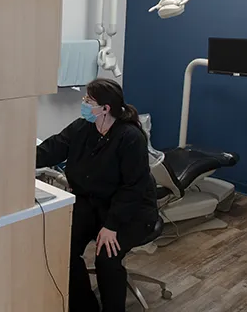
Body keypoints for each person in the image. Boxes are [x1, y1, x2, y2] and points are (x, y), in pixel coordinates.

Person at [36, 78, 158, 312]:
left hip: (130, 211)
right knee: (63, 249)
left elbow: (133, 187)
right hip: (92, 204)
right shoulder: (82, 128)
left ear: (105, 108)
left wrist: (112, 226)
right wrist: (16, 157)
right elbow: (52, 149)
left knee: (106, 258)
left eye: (88, 100)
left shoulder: (130, 138)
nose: (84, 103)